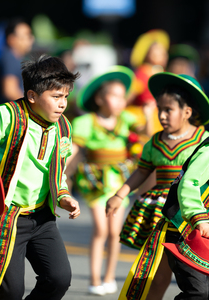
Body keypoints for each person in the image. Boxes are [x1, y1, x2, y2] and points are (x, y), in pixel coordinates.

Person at [0, 55, 81, 300]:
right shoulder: (8, 116)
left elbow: (57, 171)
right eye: (56, 97)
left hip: (42, 217)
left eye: (65, 97)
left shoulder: (63, 127)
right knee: (9, 292)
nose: (62, 104)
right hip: (5, 216)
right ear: (32, 96)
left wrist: (64, 196)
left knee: (58, 279)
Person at [112, 95, 209, 300]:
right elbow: (188, 183)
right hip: (183, 230)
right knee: (194, 292)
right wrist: (199, 217)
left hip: (207, 236)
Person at [107, 72, 209, 299]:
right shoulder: (155, 141)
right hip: (160, 211)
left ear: (187, 112)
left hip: (189, 210)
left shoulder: (204, 140)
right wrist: (120, 194)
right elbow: (142, 170)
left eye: (169, 110)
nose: (162, 116)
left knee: (199, 270)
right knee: (156, 271)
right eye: (159, 110)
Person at [66, 66, 149, 295]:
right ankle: (94, 279)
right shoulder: (86, 122)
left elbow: (147, 133)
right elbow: (73, 149)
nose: (121, 101)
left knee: (115, 232)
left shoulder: (126, 119)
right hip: (96, 183)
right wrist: (61, 169)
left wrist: (150, 114)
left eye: (123, 97)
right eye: (115, 96)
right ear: (100, 99)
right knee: (101, 230)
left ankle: (109, 276)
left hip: (120, 182)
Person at [0, 18, 34, 104]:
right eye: (27, 35)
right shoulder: (9, 58)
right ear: (11, 39)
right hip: (11, 114)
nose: (32, 39)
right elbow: (10, 91)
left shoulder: (10, 57)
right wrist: (32, 106)